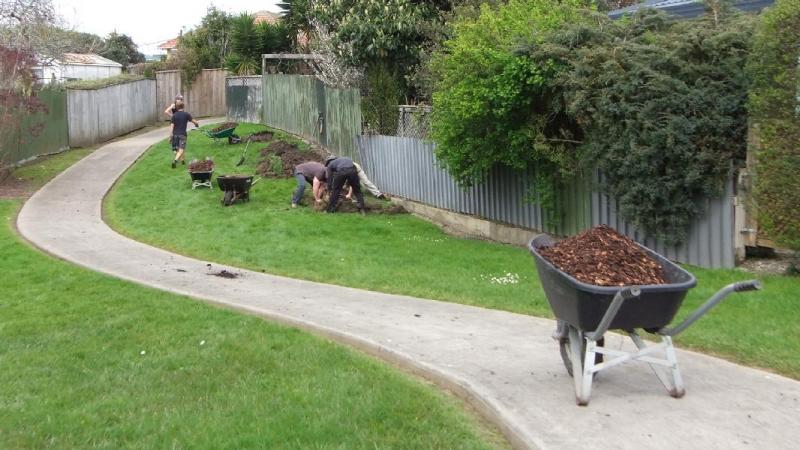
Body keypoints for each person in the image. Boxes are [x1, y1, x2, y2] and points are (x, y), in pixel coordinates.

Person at [169, 102, 199, 168]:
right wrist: (197, 124)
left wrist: (170, 136)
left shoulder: (174, 115)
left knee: (177, 149)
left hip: (175, 135)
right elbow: (194, 121)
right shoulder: (186, 114)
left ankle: (182, 161)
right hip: (182, 135)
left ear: (177, 107)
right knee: (181, 148)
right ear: (183, 107)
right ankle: (175, 161)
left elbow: (171, 127)